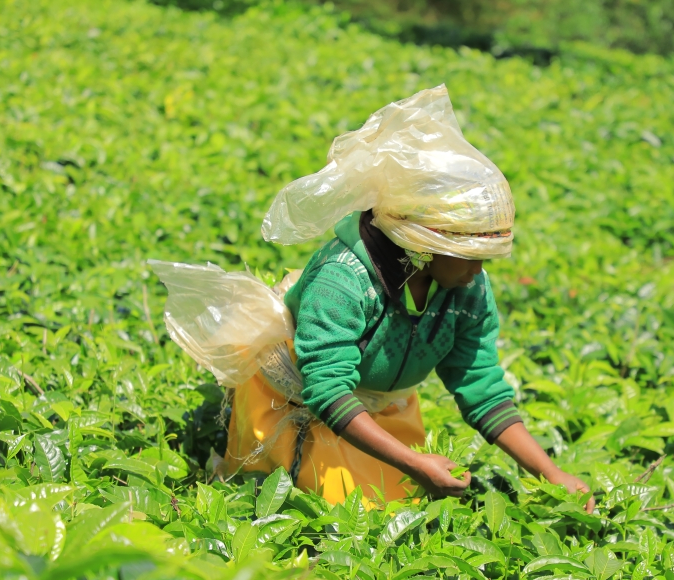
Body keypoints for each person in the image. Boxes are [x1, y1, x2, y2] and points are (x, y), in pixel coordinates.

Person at [223, 85, 593, 511]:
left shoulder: (465, 289)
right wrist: (414, 462)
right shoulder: (341, 281)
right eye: (469, 256)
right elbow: (327, 388)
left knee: (402, 505)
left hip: (375, 406)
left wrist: (552, 473)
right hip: (297, 397)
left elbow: (481, 385)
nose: (479, 271)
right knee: (326, 513)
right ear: (422, 244)